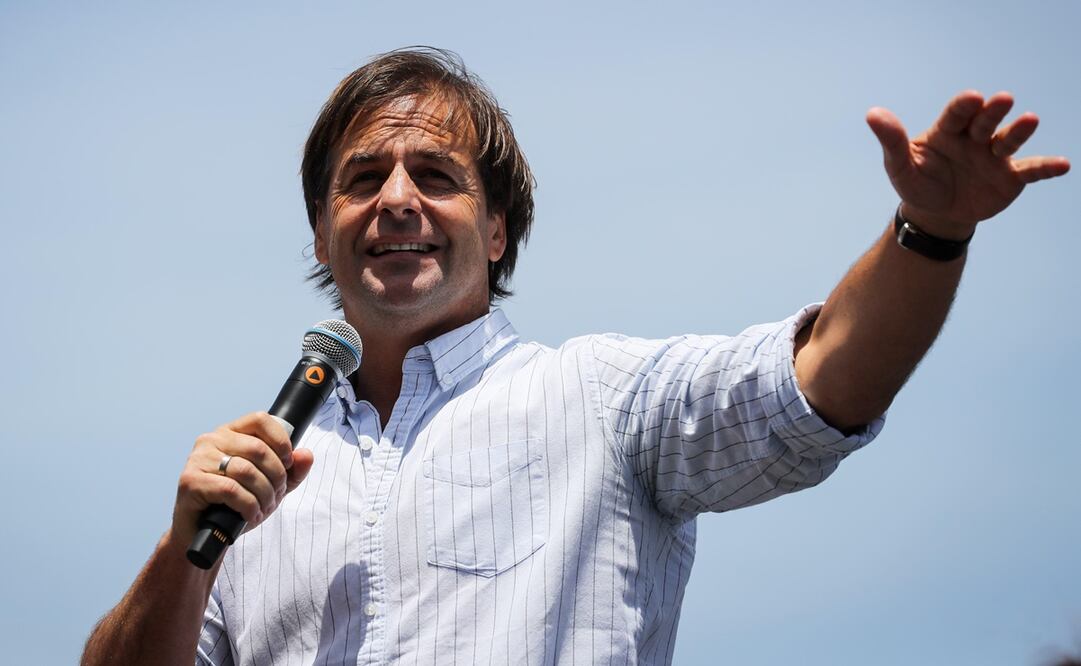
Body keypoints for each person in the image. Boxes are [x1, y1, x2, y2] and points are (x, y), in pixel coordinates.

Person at [81, 47, 1070, 665]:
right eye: (360, 179)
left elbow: (817, 384)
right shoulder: (248, 484)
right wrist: (185, 554)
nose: (394, 200)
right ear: (318, 232)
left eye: (434, 174)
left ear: (498, 230)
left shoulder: (597, 399)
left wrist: (928, 233)